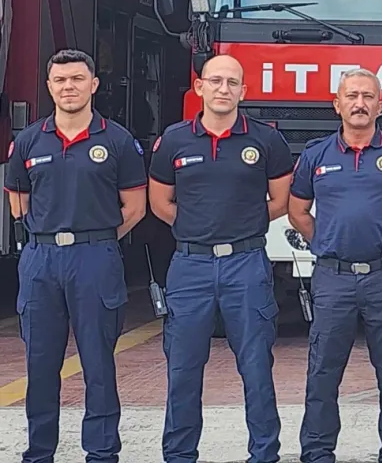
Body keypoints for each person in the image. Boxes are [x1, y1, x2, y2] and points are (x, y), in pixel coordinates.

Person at [148, 54, 293, 463]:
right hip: (190, 265)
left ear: (243, 91)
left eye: (232, 82)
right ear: (200, 87)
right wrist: (197, 227)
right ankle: (179, 455)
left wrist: (241, 224)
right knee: (183, 368)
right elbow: (160, 203)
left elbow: (281, 200)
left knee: (256, 367)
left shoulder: (266, 140)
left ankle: (264, 454)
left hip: (246, 263)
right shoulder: (174, 140)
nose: (223, 89)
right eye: (215, 81)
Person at [4, 49, 147, 463]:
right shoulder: (29, 141)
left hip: (95, 259)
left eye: (78, 79)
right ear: (49, 87)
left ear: (93, 85)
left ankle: (101, 452)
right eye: (61, 80)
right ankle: (39, 452)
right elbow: (17, 201)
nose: (69, 87)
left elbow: (135, 207)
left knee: (98, 363)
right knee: (40, 364)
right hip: (42, 260)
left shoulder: (117, 140)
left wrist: (96, 239)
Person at [288, 68, 382, 463]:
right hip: (333, 278)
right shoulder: (316, 155)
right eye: (351, 96)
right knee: (323, 370)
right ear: (337, 104)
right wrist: (324, 243)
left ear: (380, 106)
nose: (360, 103)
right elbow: (297, 211)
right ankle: (317, 451)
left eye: (368, 96)